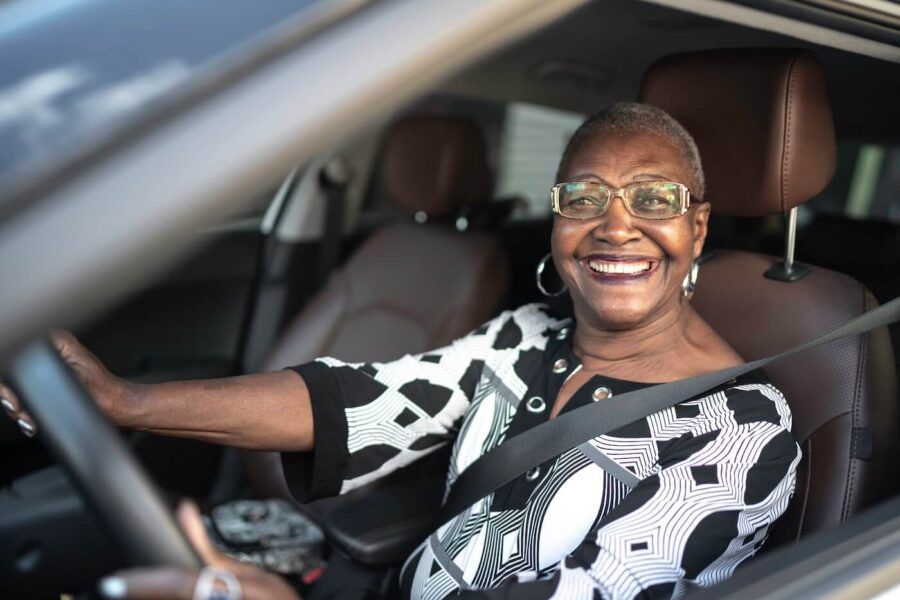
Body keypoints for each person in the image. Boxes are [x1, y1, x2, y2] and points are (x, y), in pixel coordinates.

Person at [1, 103, 801, 600]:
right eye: (583, 198)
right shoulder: (522, 336)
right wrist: (121, 403)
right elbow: (360, 401)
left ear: (696, 226)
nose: (615, 226)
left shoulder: (744, 431)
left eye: (653, 199)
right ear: (556, 223)